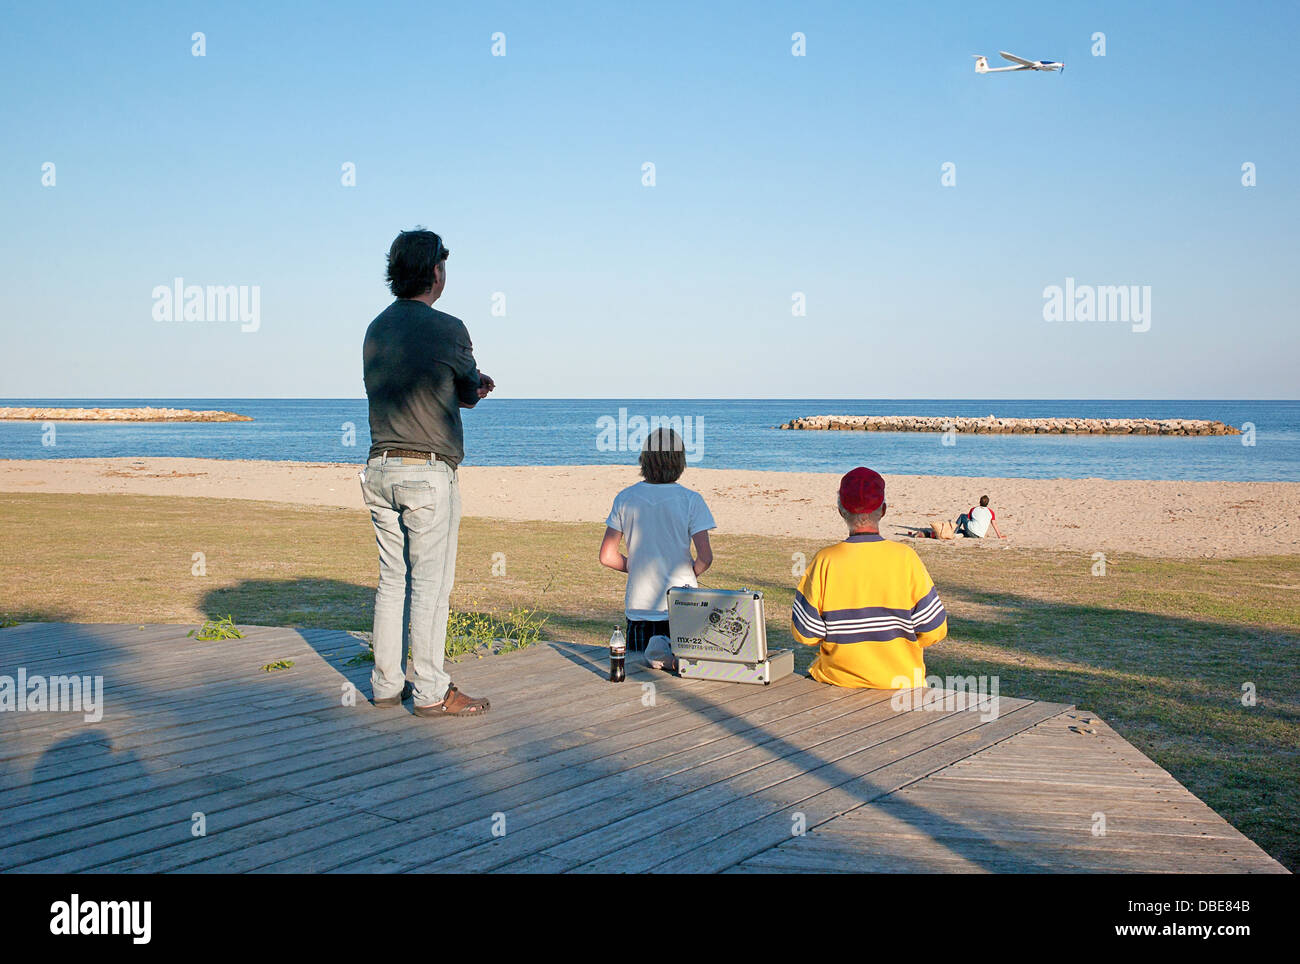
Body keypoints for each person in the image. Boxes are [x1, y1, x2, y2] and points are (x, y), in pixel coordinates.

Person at [361, 227, 494, 718]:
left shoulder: (376, 328)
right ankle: (433, 691)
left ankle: (385, 685)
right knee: (431, 588)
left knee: (391, 581)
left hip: (379, 467)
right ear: (435, 272)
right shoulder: (449, 328)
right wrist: (477, 385)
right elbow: (463, 393)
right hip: (426, 470)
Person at [791, 467, 948, 688]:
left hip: (837, 684)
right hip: (901, 684)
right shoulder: (906, 559)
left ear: (840, 510)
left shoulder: (825, 560)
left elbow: (805, 633)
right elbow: (934, 630)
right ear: (883, 510)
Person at [599, 427, 716, 652]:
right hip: (682, 603)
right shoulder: (691, 500)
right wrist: (690, 572)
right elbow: (705, 557)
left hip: (640, 605)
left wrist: (636, 566)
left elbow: (607, 556)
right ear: (680, 461)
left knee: (638, 670)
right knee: (685, 672)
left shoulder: (625, 498)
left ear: (644, 460)